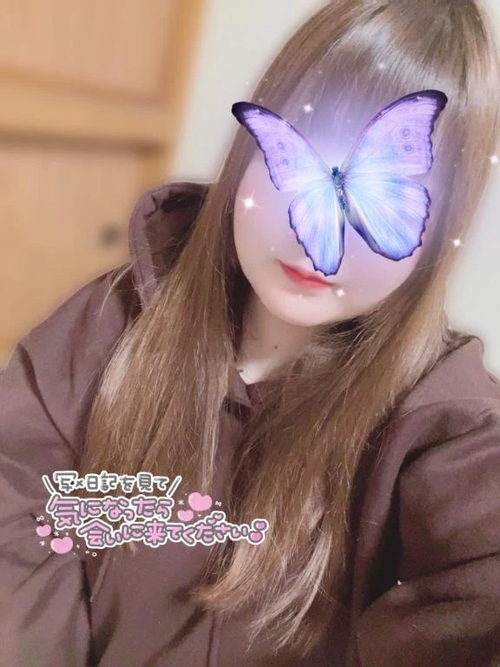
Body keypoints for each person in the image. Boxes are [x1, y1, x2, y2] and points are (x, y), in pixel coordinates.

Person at [1, 0, 499, 665]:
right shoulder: (107, 324)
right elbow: (15, 504)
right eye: (302, 147)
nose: (313, 237)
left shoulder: (446, 422)